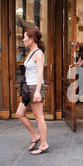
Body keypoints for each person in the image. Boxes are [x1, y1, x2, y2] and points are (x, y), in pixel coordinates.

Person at [16, 27, 49, 155]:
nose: (23, 39)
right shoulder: (31, 52)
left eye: (25, 37)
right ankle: (35, 136)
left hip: (35, 86)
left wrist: (36, 91)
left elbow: (41, 72)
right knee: (19, 114)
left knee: (38, 117)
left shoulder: (38, 53)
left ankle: (44, 144)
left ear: (31, 39)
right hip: (27, 86)